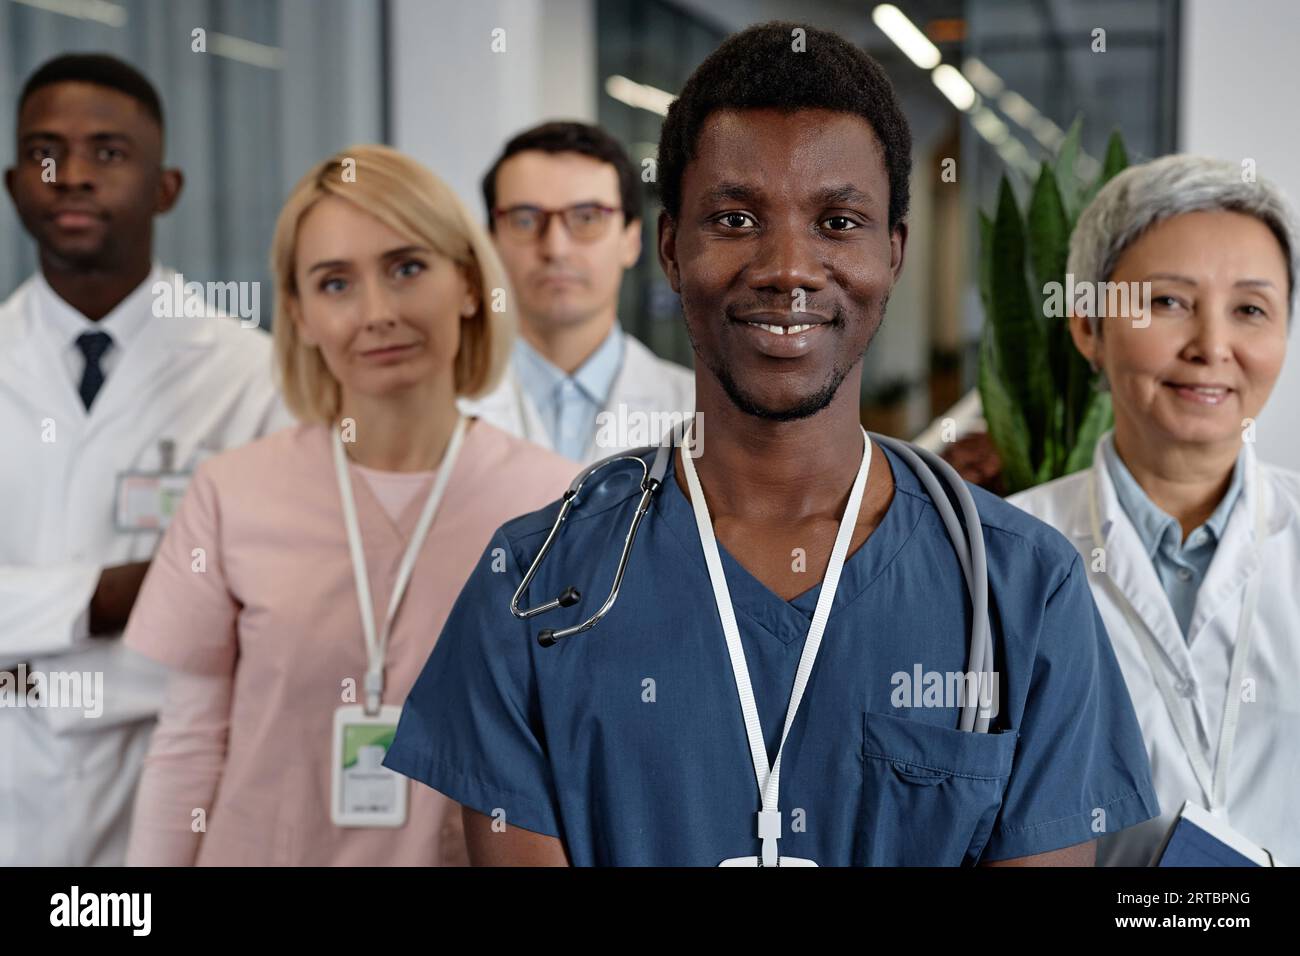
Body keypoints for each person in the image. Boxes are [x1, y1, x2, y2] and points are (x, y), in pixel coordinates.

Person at [384, 23, 1159, 867]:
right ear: (673, 249)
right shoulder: (536, 584)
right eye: (737, 217)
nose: (788, 265)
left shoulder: (1024, 590)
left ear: (892, 253)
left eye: (837, 221)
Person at [122, 145, 575, 865]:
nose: (377, 313)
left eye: (406, 268)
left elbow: (578, 760)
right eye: (335, 284)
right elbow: (187, 747)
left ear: (465, 280)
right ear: (298, 314)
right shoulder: (232, 495)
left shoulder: (558, 506)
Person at [0, 54, 288, 866]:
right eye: (45, 153)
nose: (73, 177)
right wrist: (105, 597)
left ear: (166, 187)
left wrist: (26, 669)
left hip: (176, 782)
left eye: (109, 153)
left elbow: (255, 603)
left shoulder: (254, 375)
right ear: (14, 182)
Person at [1010, 155, 1300, 866]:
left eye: (1251, 309)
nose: (1211, 347)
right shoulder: (1004, 556)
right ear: (1087, 328)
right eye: (1168, 302)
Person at [461, 121, 694, 464]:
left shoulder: (696, 412)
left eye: (587, 218)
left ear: (632, 240)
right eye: (525, 220)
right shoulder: (447, 408)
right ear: (490, 242)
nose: (556, 248)